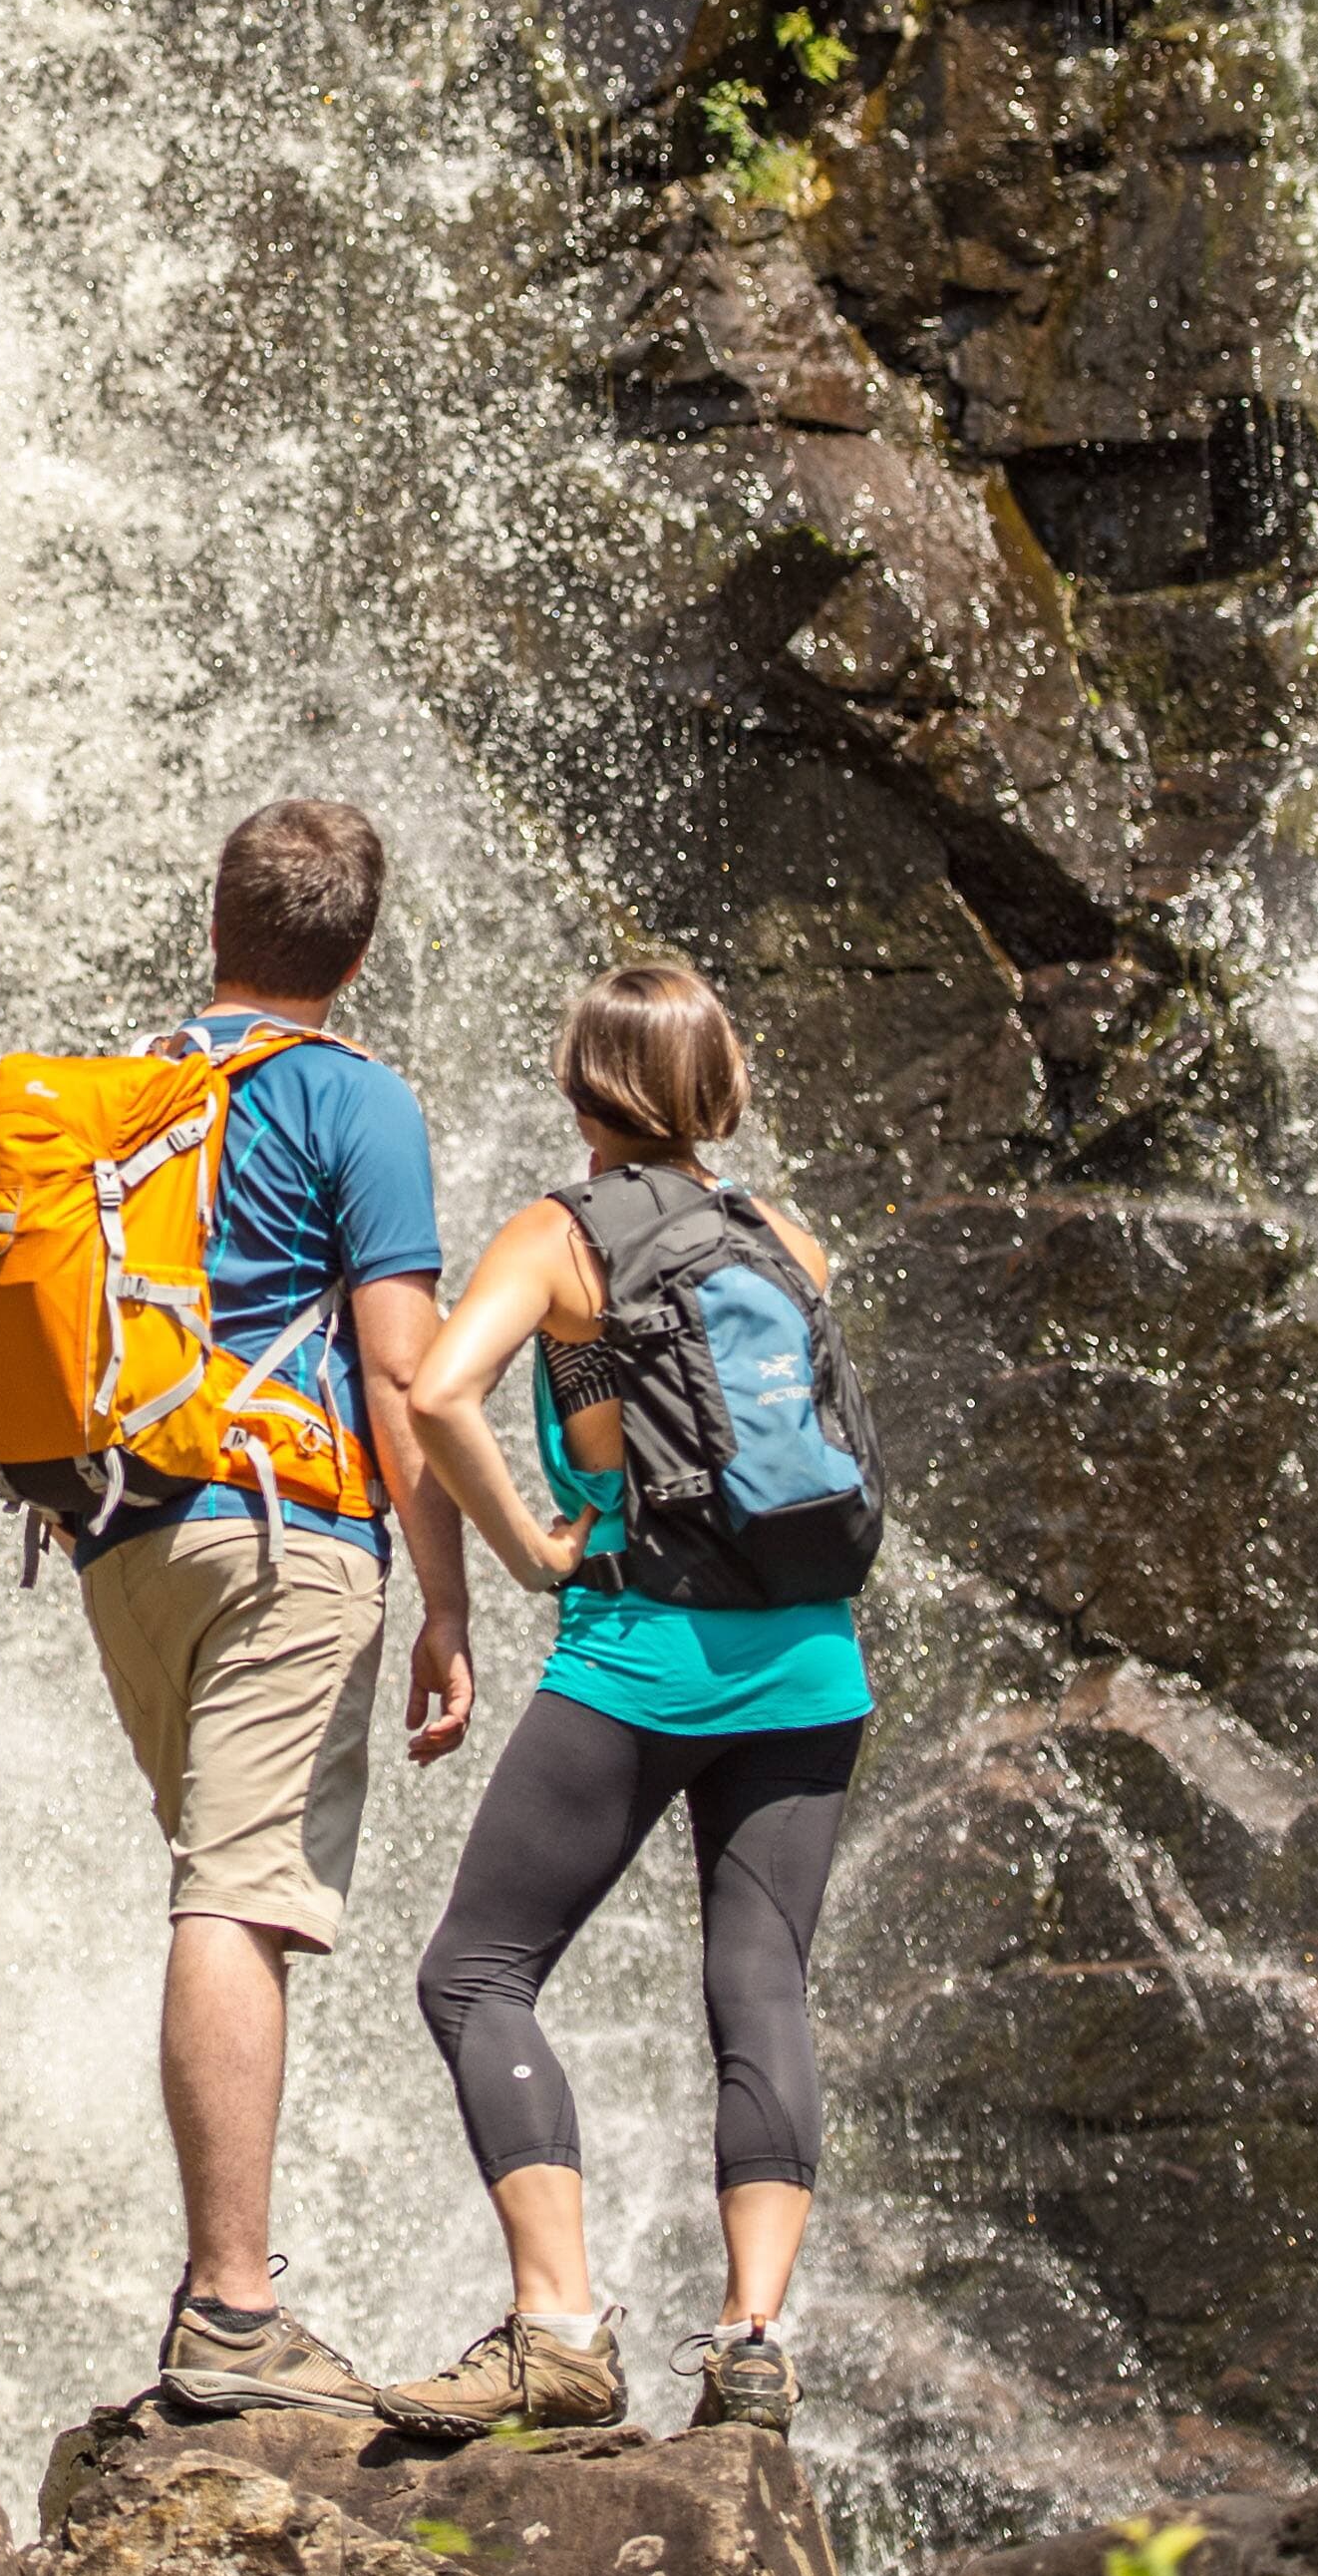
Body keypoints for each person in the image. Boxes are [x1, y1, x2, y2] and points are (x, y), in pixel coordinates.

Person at [373, 958, 870, 2444]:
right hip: (810, 1662)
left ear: (587, 1087)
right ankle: (754, 2339)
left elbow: (440, 1389)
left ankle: (562, 2326)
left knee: (473, 1972)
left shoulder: (561, 1232)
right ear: (716, 1089)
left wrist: (526, 1549)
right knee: (759, 1984)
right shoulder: (785, 1239)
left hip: (641, 1654)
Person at [76, 798, 478, 2419]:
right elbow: (403, 1369)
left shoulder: (123, 1094)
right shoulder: (354, 1099)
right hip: (283, 1526)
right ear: (358, 956)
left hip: (125, 1537)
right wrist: (447, 1597)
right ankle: (233, 2310)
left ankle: (227, 2295)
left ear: (215, 920)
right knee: (239, 1896)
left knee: (216, 1878)